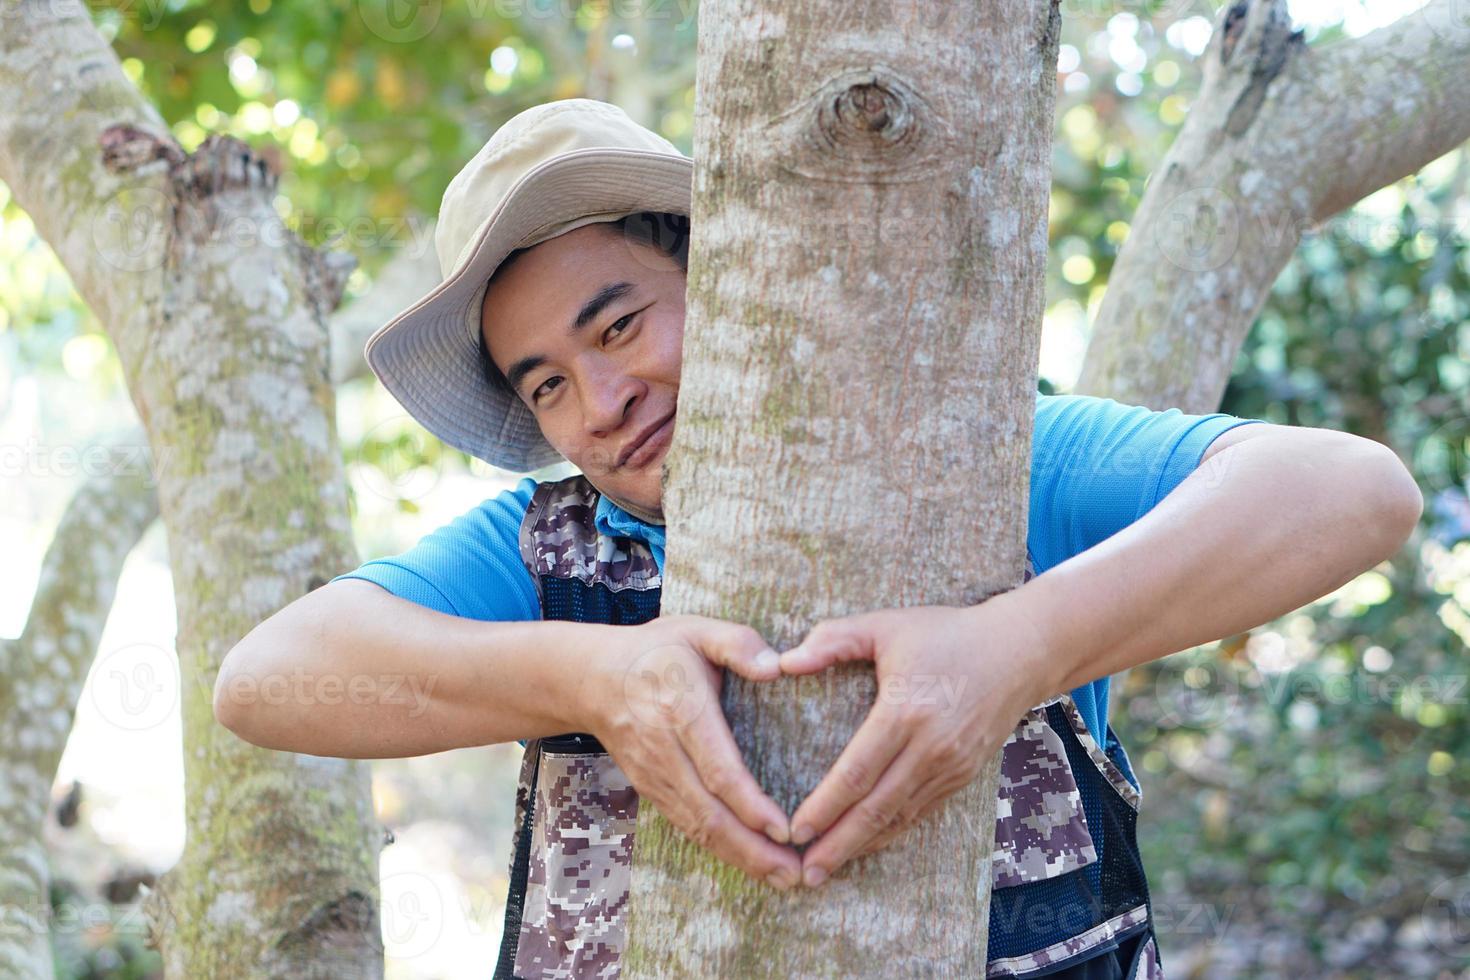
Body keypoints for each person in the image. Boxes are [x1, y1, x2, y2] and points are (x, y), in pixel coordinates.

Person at [214, 99, 1423, 978]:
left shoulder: (971, 453)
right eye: (546, 385)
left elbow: (1351, 490)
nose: (601, 401)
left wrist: (1014, 650)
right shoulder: (542, 549)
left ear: (731, 277)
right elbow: (269, 678)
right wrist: (590, 672)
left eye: (620, 323)